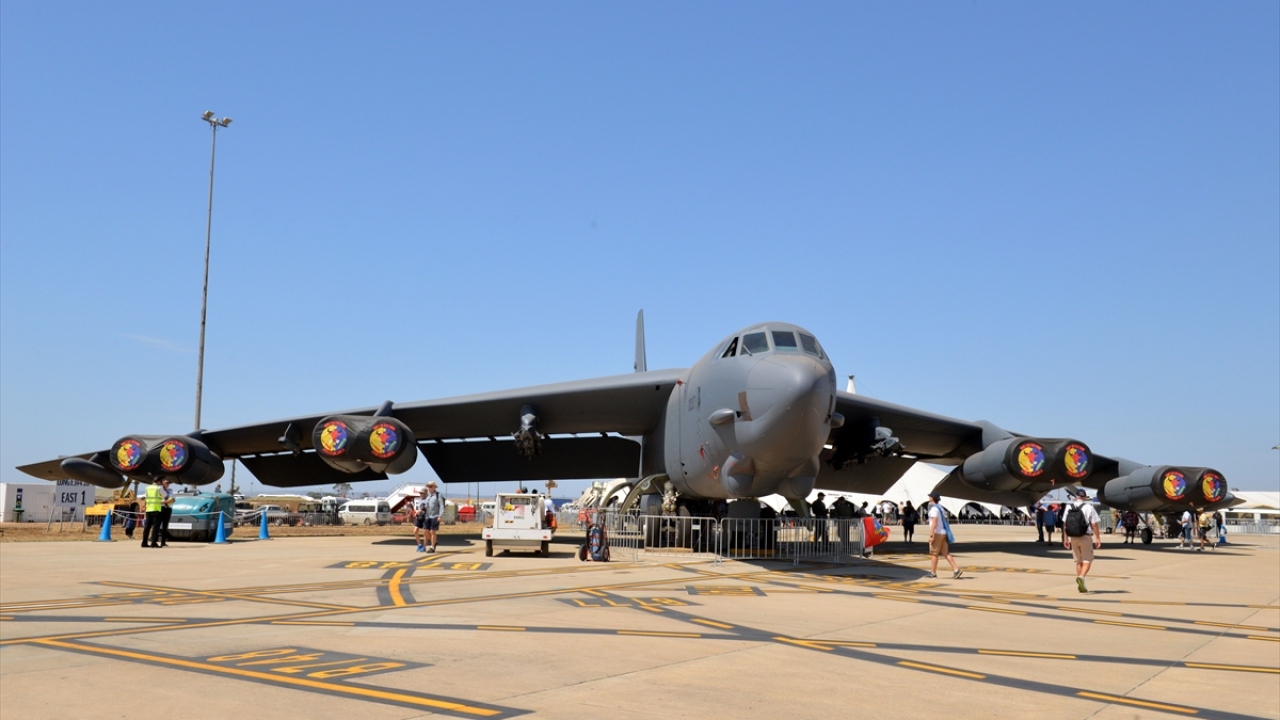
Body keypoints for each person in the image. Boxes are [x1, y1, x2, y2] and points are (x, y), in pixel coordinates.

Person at [1062, 489, 1102, 593]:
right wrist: (1098, 538)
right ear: (1084, 497)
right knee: (1087, 559)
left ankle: (1081, 583)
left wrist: (1065, 539)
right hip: (1085, 536)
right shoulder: (1089, 507)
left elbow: (1065, 524)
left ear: (1076, 497)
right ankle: (1082, 577)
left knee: (1078, 561)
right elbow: (1094, 524)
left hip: (1073, 537)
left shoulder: (1069, 507)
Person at [925, 492, 962, 579]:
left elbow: (934, 523)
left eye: (930, 496)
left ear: (932, 498)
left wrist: (931, 535)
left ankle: (933, 572)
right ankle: (956, 570)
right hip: (943, 532)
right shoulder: (940, 508)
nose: (929, 497)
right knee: (945, 553)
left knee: (934, 553)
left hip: (937, 533)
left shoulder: (934, 509)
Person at [420, 481, 443, 553]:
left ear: (434, 487)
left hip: (435, 516)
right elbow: (425, 505)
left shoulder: (438, 495)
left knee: (432, 531)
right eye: (428, 487)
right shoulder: (428, 496)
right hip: (427, 516)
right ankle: (434, 541)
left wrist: (440, 515)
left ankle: (432, 547)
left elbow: (441, 506)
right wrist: (422, 508)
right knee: (425, 531)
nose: (429, 488)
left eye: (430, 486)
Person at [141, 480, 164, 548]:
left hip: (148, 509)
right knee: (155, 527)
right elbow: (165, 496)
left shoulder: (147, 487)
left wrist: (144, 506)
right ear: (159, 481)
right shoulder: (159, 488)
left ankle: (144, 542)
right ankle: (153, 542)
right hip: (156, 509)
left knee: (147, 527)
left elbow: (145, 497)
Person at [157, 479, 175, 547]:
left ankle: (163, 542)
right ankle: (154, 540)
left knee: (165, 526)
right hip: (161, 508)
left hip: (168, 508)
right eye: (166, 483)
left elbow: (173, 499)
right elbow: (157, 500)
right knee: (157, 525)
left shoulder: (170, 490)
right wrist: (166, 502)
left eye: (168, 483)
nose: (168, 484)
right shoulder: (159, 490)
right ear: (162, 483)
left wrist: (171, 501)